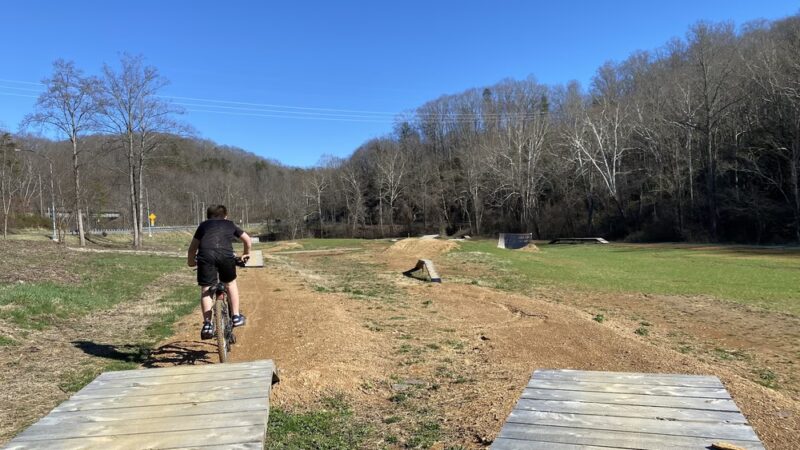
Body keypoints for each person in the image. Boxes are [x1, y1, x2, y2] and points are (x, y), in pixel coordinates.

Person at [187, 204, 252, 339]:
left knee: (206, 289)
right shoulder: (230, 224)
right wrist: (246, 253)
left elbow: (192, 248)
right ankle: (235, 316)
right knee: (230, 284)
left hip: (206, 257)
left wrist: (191, 262)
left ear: (208, 216)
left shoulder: (203, 226)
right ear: (225, 216)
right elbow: (247, 239)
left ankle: (207, 324)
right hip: (226, 256)